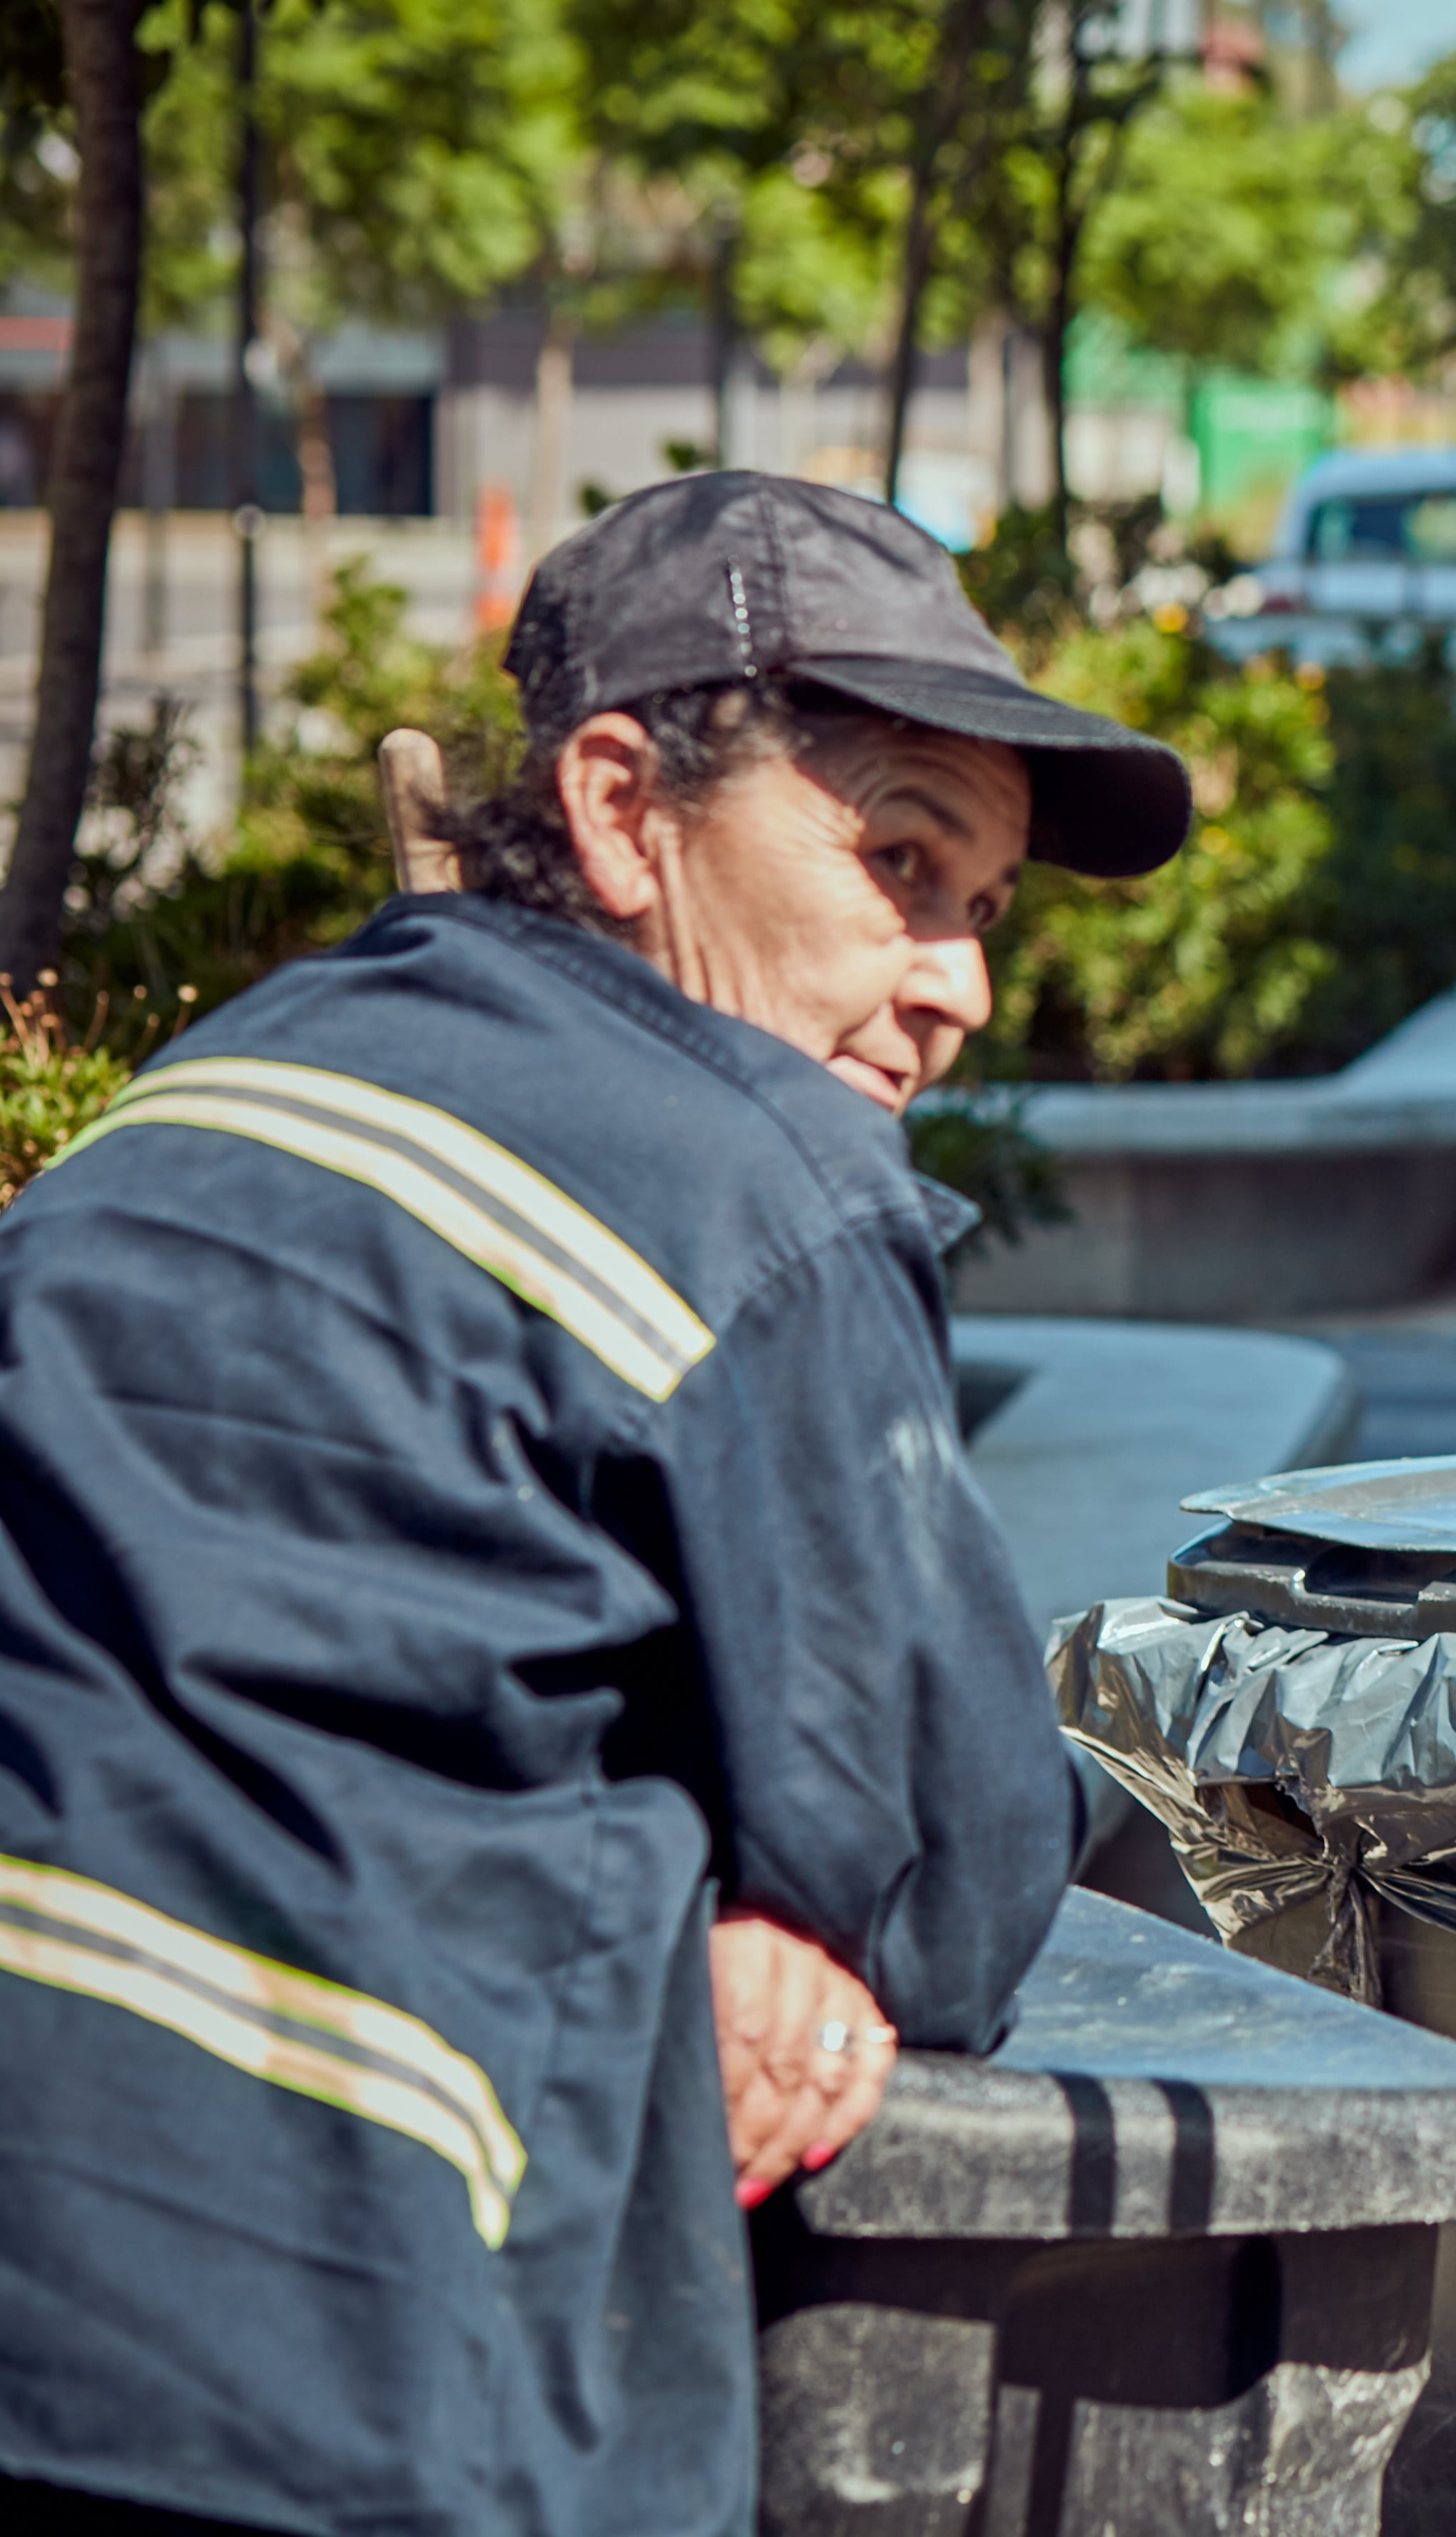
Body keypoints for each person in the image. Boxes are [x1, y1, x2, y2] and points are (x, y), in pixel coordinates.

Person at [0, 472, 1193, 2536]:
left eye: (978, 909)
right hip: (346, 2345)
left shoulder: (187, 1107)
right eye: (898, 859)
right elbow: (956, 1868)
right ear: (625, 807)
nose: (955, 983)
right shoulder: (759, 1186)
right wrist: (765, 1886)